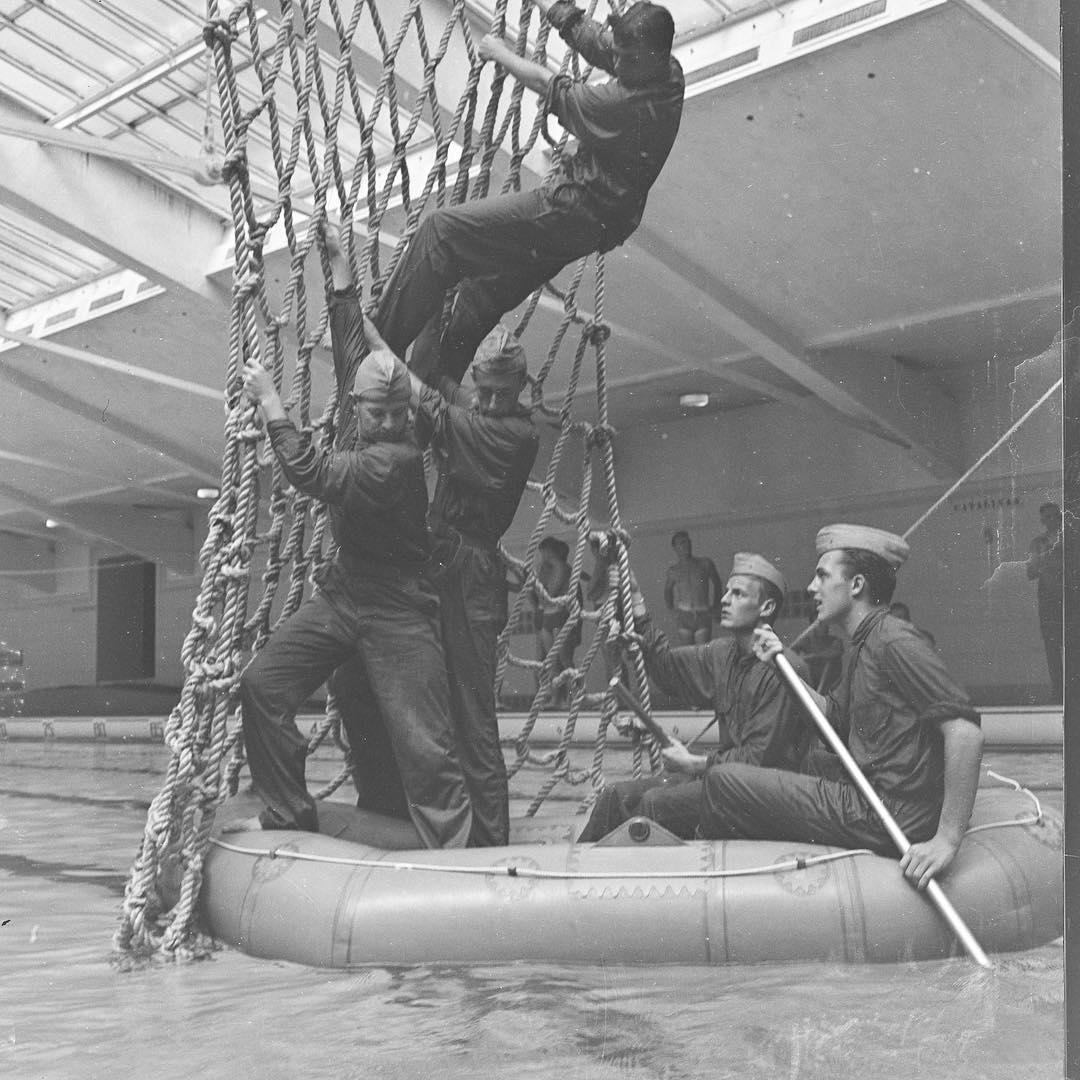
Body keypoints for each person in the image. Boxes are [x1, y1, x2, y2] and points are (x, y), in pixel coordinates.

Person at [237, 284, 473, 849]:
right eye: (379, 411)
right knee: (262, 686)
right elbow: (351, 358)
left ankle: (459, 856)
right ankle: (289, 816)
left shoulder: (395, 460)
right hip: (346, 595)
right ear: (355, 408)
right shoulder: (359, 421)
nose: (391, 420)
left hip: (399, 607)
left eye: (398, 411)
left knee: (427, 746)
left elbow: (311, 473)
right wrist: (342, 284)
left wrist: (271, 402)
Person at [372, 0, 684, 383]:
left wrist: (499, 51)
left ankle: (373, 359)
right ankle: (430, 414)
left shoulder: (627, 106)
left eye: (629, 60)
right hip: (590, 227)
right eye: (618, 56)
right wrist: (555, 8)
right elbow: (601, 46)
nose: (618, 66)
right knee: (477, 301)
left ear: (652, 57)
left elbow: (550, 86)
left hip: (569, 210)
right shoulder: (667, 71)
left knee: (440, 233)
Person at [705, 524, 984, 890]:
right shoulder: (861, 641)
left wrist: (947, 839)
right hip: (873, 795)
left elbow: (966, 732)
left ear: (856, 586)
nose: (811, 588)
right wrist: (779, 665)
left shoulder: (893, 641)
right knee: (790, 759)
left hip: (887, 813)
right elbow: (833, 716)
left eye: (822, 576)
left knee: (723, 779)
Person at [577, 553, 810, 842]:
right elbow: (666, 667)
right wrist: (635, 596)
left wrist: (693, 763)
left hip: (761, 792)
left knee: (654, 804)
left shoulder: (784, 668)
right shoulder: (723, 653)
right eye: (726, 591)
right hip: (723, 778)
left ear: (767, 607)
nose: (724, 599)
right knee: (615, 796)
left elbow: (756, 759)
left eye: (737, 594)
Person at [532, 536, 582, 705]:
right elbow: (539, 598)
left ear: (549, 551)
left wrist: (538, 583)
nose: (541, 555)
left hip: (560, 616)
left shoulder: (561, 568)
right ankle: (555, 697)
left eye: (543, 552)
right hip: (548, 616)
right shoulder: (545, 568)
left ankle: (573, 696)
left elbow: (549, 594)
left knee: (565, 660)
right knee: (551, 662)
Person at [1026, 502, 1063, 702]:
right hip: (1048, 601)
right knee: (1052, 648)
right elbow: (1031, 572)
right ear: (1042, 521)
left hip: (1070, 601)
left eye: (1054, 516)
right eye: (1046, 518)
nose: (1051, 521)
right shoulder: (1037, 543)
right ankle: (1058, 691)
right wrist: (1040, 560)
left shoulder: (1072, 538)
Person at [664, 530, 723, 644]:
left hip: (702, 613)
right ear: (675, 548)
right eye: (681, 543)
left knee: (702, 654)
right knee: (688, 654)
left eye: (687, 542)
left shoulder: (705, 564)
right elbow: (667, 590)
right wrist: (671, 609)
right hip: (684, 615)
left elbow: (717, 583)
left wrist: (716, 606)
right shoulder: (674, 570)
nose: (686, 546)